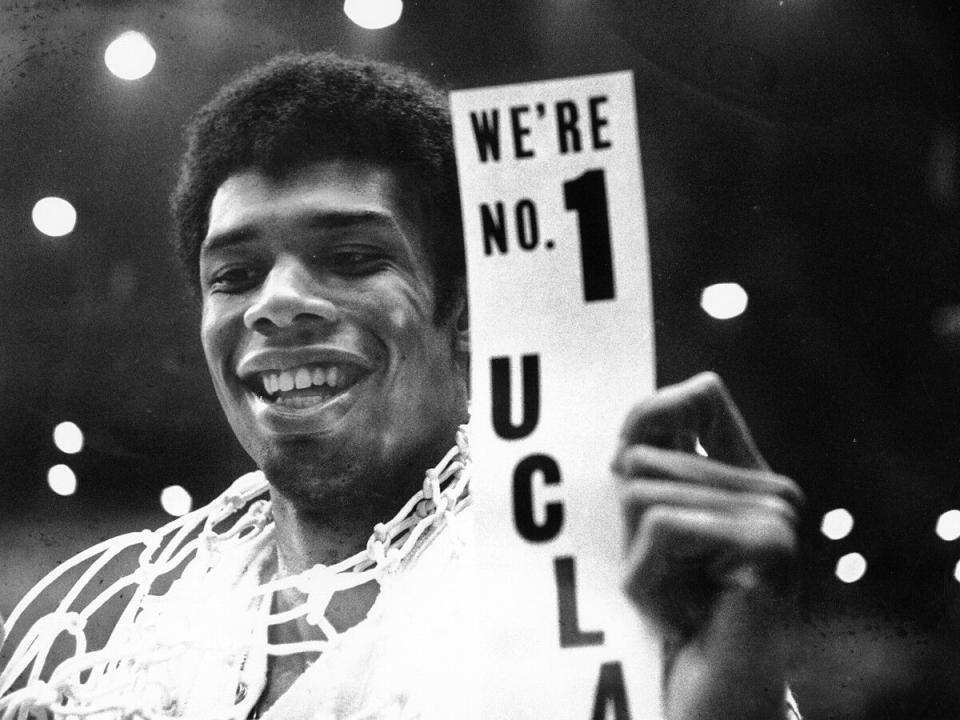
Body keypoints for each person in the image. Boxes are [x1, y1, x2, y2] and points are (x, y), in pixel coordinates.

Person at [0, 52, 803, 719]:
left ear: (465, 308)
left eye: (352, 259)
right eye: (235, 274)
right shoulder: (98, 625)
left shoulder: (614, 586)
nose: (275, 305)